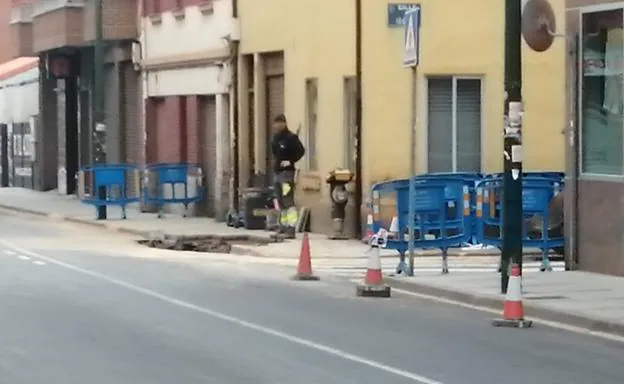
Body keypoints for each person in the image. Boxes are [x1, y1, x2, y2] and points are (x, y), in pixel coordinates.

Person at [271, 114, 305, 238]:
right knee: (279, 201)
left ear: (284, 123)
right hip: (278, 172)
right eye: (276, 123)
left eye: (280, 123)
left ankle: (291, 227)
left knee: (288, 200)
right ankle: (283, 225)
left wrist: (291, 161)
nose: (277, 125)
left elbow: (301, 151)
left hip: (287, 174)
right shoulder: (275, 138)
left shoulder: (291, 138)